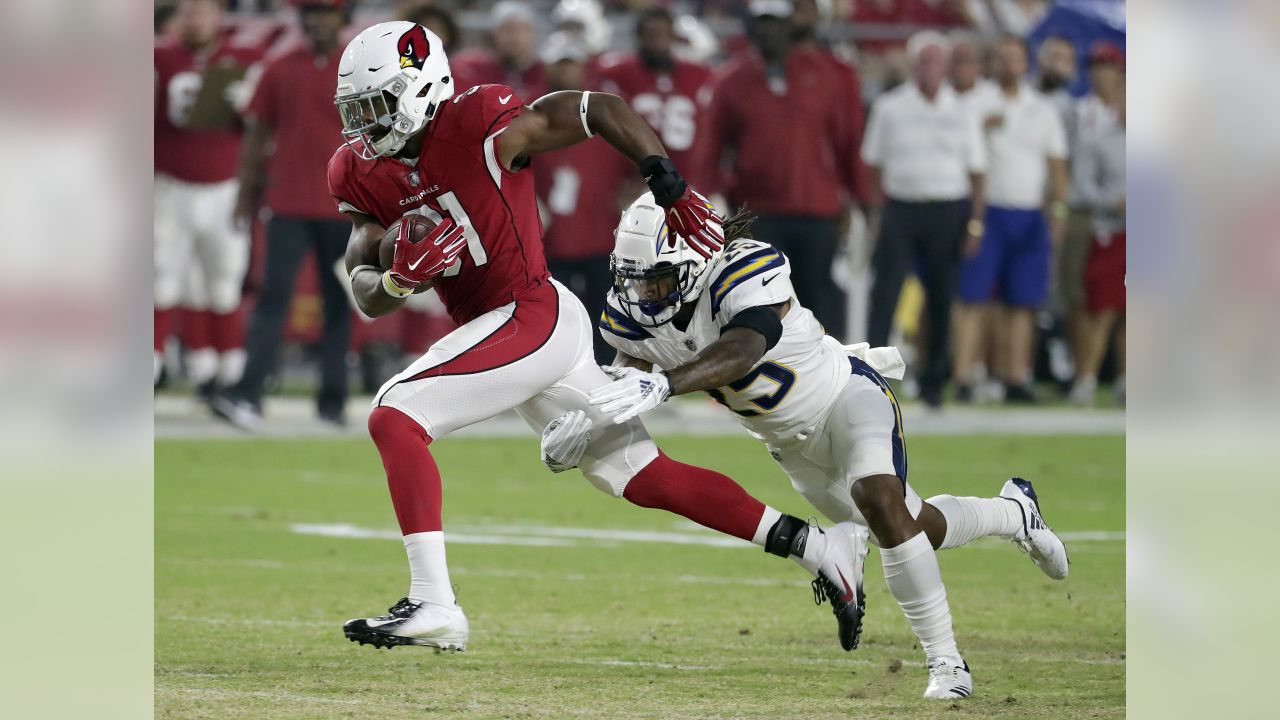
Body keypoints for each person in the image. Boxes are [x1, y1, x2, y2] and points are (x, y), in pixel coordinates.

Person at [327, 22, 866, 655]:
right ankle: (818, 547)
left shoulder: (481, 123)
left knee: (396, 415)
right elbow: (362, 284)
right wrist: (394, 280)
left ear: (421, 87)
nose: (365, 125)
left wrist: (666, 181)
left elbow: (598, 108)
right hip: (506, 332)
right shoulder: (358, 171)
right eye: (355, 110)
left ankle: (435, 603)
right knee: (639, 475)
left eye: (377, 104)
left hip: (533, 315)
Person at [541, 195, 1070, 699]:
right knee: (915, 527)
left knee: (881, 500)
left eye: (657, 279)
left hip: (846, 397)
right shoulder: (631, 313)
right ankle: (1014, 513)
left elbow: (744, 347)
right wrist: (583, 429)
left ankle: (947, 661)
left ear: (695, 259)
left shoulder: (744, 268)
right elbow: (625, 384)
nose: (644, 295)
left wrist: (666, 383)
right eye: (634, 279)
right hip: (791, 450)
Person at [212, 0, 352, 429]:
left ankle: (333, 402)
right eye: (311, 12)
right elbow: (255, 133)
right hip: (287, 202)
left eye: (326, 12)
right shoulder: (279, 67)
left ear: (341, 18)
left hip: (345, 206)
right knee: (272, 300)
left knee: (341, 303)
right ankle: (248, 396)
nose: (317, 21)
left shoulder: (358, 69)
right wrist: (242, 194)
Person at [697, 0, 867, 341]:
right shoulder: (732, 80)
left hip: (818, 209)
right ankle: (761, 380)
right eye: (762, 22)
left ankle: (823, 377)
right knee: (758, 301)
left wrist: (860, 198)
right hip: (757, 213)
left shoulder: (831, 74)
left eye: (775, 22)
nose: (768, 30)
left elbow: (849, 142)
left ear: (791, 25)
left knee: (817, 299)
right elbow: (710, 148)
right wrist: (705, 202)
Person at [861, 31, 986, 408]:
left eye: (937, 60)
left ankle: (935, 382)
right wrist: (877, 212)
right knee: (885, 296)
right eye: (924, 61)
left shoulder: (964, 110)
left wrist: (975, 223)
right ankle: (872, 380)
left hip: (948, 211)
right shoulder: (890, 107)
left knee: (942, 299)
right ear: (914, 65)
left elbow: (978, 172)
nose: (930, 68)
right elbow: (872, 165)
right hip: (901, 208)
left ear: (946, 66)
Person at [952, 35, 1068, 403]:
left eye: (1015, 59)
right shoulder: (976, 103)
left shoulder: (1041, 107)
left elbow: (1056, 164)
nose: (1009, 66)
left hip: (1030, 208)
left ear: (1026, 63)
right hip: (989, 209)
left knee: (1024, 301)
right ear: (993, 63)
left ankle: (1016, 375)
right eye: (1002, 59)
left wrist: (1058, 210)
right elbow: (960, 153)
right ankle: (964, 375)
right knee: (973, 298)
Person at [154, 0, 261, 398]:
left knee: (222, 283)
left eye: (204, 10)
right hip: (168, 184)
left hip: (224, 187)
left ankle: (227, 372)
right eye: (189, 11)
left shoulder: (246, 57)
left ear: (219, 16)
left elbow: (263, 121)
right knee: (160, 279)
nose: (196, 19)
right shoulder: (158, 56)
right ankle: (152, 368)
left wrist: (248, 104)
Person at [534, 33, 633, 364]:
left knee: (603, 311)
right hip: (548, 236)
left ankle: (605, 370)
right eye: (560, 64)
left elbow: (633, 162)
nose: (566, 72)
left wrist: (632, 193)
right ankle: (557, 370)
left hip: (600, 229)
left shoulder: (606, 107)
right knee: (556, 312)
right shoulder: (529, 111)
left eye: (571, 63)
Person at [597, 6, 712, 187]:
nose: (658, 42)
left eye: (663, 35)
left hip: (688, 178)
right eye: (651, 35)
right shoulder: (619, 73)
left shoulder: (698, 75)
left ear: (673, 37)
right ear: (639, 37)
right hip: (639, 182)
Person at [1069, 67, 1125, 405]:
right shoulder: (1100, 140)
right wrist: (1113, 201)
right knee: (1101, 308)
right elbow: (1082, 187)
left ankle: (1128, 379)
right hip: (1110, 230)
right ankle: (1086, 378)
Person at [449, 1, 547, 99]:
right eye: (508, 30)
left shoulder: (543, 72)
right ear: (494, 33)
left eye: (523, 30)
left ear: (533, 34)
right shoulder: (470, 68)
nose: (516, 37)